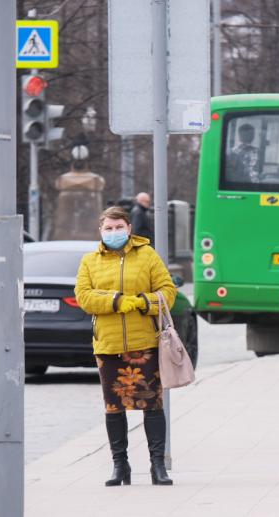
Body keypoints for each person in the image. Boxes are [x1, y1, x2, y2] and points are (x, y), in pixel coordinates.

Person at [75, 206, 177, 486]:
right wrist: (117, 301)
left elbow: (168, 292)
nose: (114, 232)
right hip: (108, 346)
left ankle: (158, 467)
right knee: (113, 407)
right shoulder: (90, 261)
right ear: (100, 231)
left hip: (144, 343)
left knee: (152, 404)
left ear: (129, 228)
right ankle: (120, 466)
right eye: (108, 228)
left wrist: (144, 302)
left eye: (119, 227)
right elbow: (84, 297)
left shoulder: (147, 255)